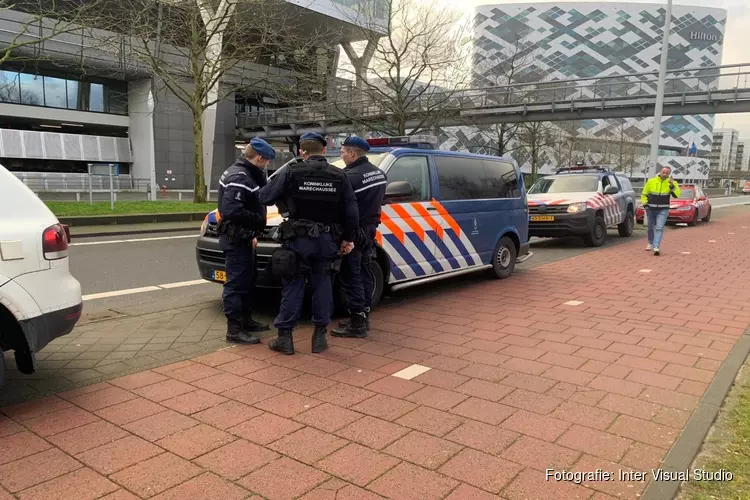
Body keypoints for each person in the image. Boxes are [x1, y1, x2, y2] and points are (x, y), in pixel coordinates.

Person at [258, 132, 359, 355]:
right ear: (324, 151)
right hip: (327, 240)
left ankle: (285, 338)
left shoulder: (292, 171)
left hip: (298, 239)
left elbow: (264, 196)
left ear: (302, 152)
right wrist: (348, 239)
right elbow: (352, 212)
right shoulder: (339, 175)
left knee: (293, 284)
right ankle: (319, 338)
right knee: (323, 284)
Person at [217, 138, 275, 344]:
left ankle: (246, 320)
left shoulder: (246, 172)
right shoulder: (239, 176)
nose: (266, 165)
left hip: (245, 237)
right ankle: (234, 329)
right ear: (258, 158)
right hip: (236, 238)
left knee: (248, 281)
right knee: (236, 284)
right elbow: (231, 209)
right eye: (266, 161)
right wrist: (258, 221)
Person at [331, 136, 387, 338]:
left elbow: (343, 209)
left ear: (353, 154)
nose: (342, 155)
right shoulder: (379, 174)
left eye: (343, 152)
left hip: (355, 232)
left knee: (350, 275)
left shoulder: (349, 177)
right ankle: (364, 316)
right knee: (364, 273)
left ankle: (357, 324)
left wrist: (346, 236)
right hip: (370, 230)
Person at [641, 166, 680, 256]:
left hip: (663, 209)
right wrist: (646, 205)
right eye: (663, 172)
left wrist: (671, 186)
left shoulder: (673, 183)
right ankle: (650, 242)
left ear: (669, 174)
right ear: (660, 172)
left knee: (659, 227)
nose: (665, 174)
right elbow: (644, 194)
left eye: (667, 173)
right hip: (651, 208)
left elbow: (677, 195)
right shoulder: (651, 181)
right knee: (650, 227)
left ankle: (656, 246)